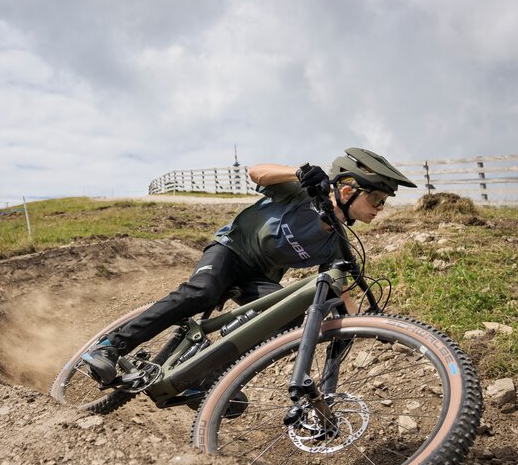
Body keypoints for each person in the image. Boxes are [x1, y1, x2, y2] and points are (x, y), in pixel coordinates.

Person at [82, 147, 416, 385]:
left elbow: (341, 292)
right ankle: (111, 346)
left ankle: (208, 378)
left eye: (383, 202)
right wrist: (299, 172)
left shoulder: (336, 243)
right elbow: (257, 172)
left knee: (290, 318)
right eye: (376, 199)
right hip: (231, 249)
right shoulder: (305, 193)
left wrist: (366, 326)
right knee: (202, 292)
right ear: (346, 189)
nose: (381, 208)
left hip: (257, 278)